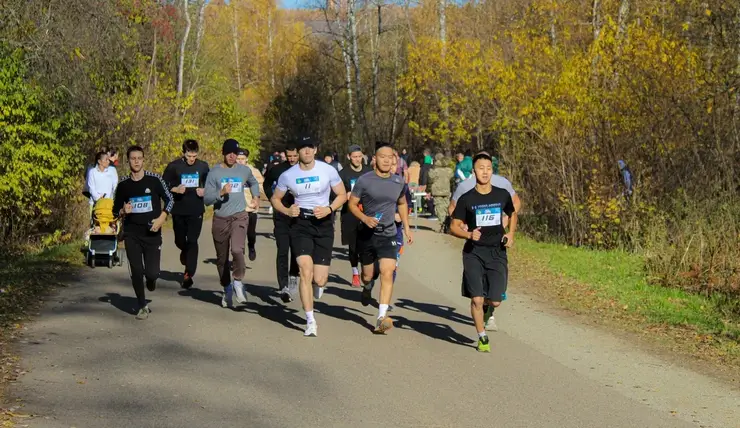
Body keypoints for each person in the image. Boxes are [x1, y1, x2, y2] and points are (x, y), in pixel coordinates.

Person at [271, 137, 347, 337]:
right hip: (300, 224)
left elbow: (342, 195)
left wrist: (329, 209)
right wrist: (288, 211)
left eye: (310, 148)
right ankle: (310, 320)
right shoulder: (289, 175)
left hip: (323, 223)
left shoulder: (327, 170)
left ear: (315, 150)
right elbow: (275, 199)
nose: (306, 152)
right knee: (305, 269)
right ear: (299, 151)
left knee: (320, 279)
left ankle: (316, 285)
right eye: (303, 148)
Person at [449, 152, 517, 352]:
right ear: (474, 171)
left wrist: (510, 234)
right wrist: (468, 235)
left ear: (492, 171)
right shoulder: (466, 198)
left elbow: (512, 213)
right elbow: (453, 226)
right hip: (474, 253)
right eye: (481, 168)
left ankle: (488, 311)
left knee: (495, 300)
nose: (485, 172)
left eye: (488, 168)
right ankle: (482, 337)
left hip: (497, 252)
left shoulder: (501, 194)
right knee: (476, 298)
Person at [348, 142, 413, 334]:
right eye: (382, 157)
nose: (386, 160)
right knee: (368, 275)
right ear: (375, 159)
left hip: (389, 233)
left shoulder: (398, 181)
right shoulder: (364, 180)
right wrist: (364, 218)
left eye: (390, 157)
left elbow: (402, 203)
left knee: (388, 270)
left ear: (394, 160)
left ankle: (381, 317)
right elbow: (352, 204)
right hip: (367, 234)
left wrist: (407, 227)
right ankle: (367, 287)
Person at [113, 145, 173, 320]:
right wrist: (123, 210)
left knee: (152, 273)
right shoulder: (123, 185)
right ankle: (142, 305)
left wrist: (163, 217)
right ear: (128, 161)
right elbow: (115, 211)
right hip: (132, 234)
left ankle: (152, 280)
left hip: (152, 233)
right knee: (137, 270)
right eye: (133, 158)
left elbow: (170, 199)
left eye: (139, 158)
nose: (136, 161)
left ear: (143, 160)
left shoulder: (154, 180)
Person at [204, 139, 261, 309]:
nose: (232, 156)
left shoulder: (243, 170)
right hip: (221, 218)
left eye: (235, 153)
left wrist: (256, 196)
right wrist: (220, 192)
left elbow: (253, 182)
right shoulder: (214, 173)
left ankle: (238, 281)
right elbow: (207, 199)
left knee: (237, 249)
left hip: (239, 216)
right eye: (229, 153)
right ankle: (226, 287)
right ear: (223, 153)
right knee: (221, 260)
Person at [162, 140, 209, 289]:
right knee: (180, 241)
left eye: (194, 156)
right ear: (184, 153)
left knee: (193, 240)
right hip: (179, 210)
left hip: (196, 209)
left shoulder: (203, 166)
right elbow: (163, 185)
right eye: (189, 156)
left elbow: (211, 184)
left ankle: (189, 273)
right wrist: (175, 189)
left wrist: (205, 191)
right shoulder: (174, 166)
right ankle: (184, 251)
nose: (191, 159)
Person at [263, 143, 300, 303]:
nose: (292, 159)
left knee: (297, 250)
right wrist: (273, 199)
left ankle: (293, 277)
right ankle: (283, 285)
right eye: (289, 156)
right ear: (285, 155)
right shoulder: (278, 170)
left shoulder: (304, 170)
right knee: (283, 249)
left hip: (299, 216)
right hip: (281, 215)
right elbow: (266, 183)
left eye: (294, 156)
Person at [338, 144, 372, 287]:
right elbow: (336, 192)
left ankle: (367, 271)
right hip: (350, 213)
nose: (358, 159)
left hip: (366, 211)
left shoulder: (369, 171)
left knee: (367, 244)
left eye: (360, 156)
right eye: (355, 157)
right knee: (353, 247)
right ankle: (355, 273)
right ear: (349, 157)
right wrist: (343, 195)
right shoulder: (343, 174)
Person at [236, 148, 264, 261]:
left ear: (247, 159)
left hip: (250, 207)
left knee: (250, 233)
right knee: (238, 233)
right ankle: (239, 253)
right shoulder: (231, 171)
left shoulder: (253, 171)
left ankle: (251, 246)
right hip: (237, 208)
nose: (240, 161)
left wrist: (257, 198)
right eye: (238, 158)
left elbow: (261, 187)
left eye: (242, 159)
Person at [428, 152, 453, 229]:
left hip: (437, 192)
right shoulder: (449, 170)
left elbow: (430, 178)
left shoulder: (435, 170)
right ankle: (448, 223)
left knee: (439, 209)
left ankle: (443, 223)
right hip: (446, 191)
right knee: (446, 208)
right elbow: (451, 177)